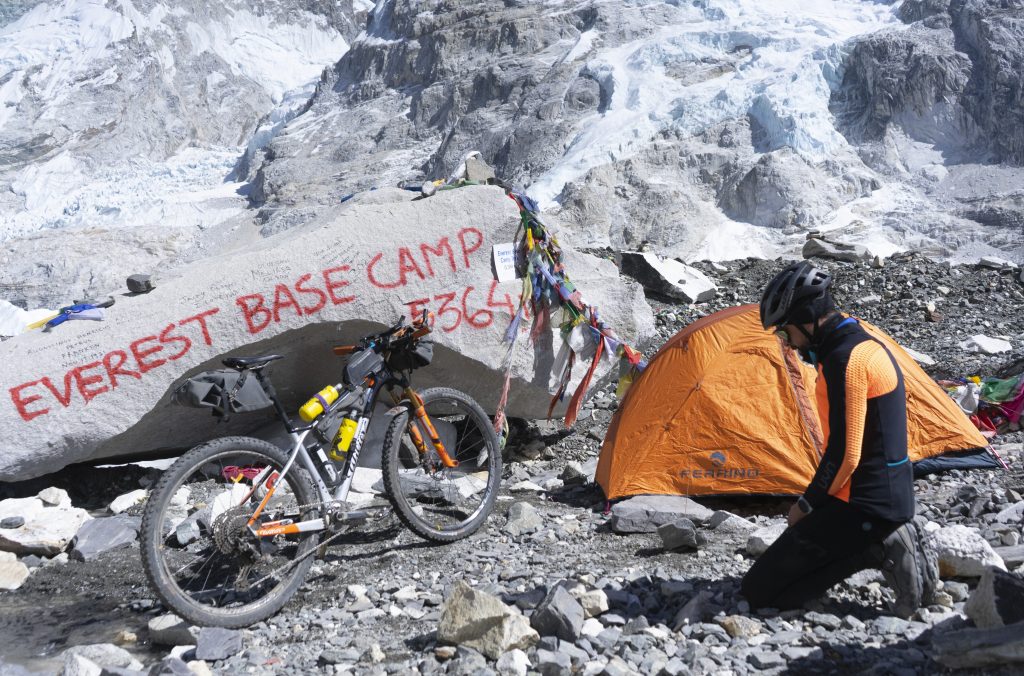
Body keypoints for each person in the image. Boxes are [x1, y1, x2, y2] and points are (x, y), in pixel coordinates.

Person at [740, 261, 937, 618]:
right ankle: (882, 537)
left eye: (785, 333)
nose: (787, 343)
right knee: (776, 577)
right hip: (879, 493)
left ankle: (882, 546)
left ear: (808, 317)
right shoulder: (855, 339)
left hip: (865, 505)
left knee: (760, 593)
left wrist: (807, 504)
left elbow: (847, 452)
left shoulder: (845, 360)